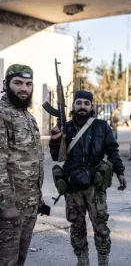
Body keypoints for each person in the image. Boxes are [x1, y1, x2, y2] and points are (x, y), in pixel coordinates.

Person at [49, 90, 127, 266]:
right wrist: (55, 140)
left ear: (91, 106)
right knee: (77, 227)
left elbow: (112, 151)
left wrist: (120, 172)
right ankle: (82, 262)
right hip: (72, 186)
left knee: (100, 226)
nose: (82, 106)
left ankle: (103, 262)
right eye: (79, 103)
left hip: (95, 185)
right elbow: (57, 157)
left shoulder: (102, 126)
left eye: (86, 103)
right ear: (74, 105)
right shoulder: (65, 127)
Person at [0, 64, 45, 266]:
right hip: (10, 207)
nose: (24, 88)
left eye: (28, 84)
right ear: (5, 84)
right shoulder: (3, 114)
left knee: (20, 259)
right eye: (17, 83)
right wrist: (6, 204)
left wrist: (38, 197)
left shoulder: (27, 116)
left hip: (28, 205)